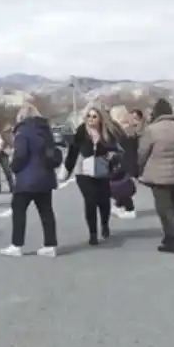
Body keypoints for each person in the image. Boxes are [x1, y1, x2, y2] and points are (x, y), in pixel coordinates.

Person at [0, 103, 59, 257]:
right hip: (45, 176)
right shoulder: (46, 130)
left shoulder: (23, 131)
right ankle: (50, 245)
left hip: (27, 177)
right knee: (46, 211)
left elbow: (21, 154)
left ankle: (16, 244)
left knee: (19, 210)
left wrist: (14, 167)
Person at [64, 105, 123, 245]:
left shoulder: (107, 133)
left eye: (94, 116)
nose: (91, 119)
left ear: (100, 119)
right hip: (84, 172)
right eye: (88, 116)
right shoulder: (81, 131)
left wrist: (112, 157)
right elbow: (73, 152)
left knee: (103, 201)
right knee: (90, 200)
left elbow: (118, 150)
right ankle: (93, 233)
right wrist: (66, 171)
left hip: (103, 171)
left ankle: (104, 224)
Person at [137, 99, 174, 253]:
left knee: (163, 208)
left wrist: (139, 168)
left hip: (159, 174)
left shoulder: (152, 130)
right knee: (173, 206)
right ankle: (170, 236)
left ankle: (172, 238)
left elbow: (142, 152)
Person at [109, 105, 138, 219]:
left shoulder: (121, 130)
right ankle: (119, 205)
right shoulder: (127, 128)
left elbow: (125, 148)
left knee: (120, 186)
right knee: (120, 185)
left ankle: (129, 208)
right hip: (127, 161)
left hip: (124, 162)